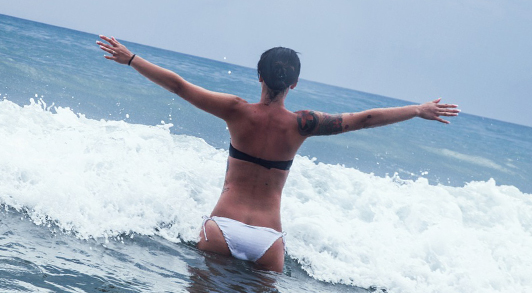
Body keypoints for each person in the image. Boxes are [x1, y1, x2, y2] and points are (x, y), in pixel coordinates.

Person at [96, 35, 460, 272]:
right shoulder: (304, 124)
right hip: (268, 241)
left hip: (221, 227)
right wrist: (416, 109)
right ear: (294, 83)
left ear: (259, 76)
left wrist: (131, 60)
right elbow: (364, 119)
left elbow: (178, 85)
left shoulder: (236, 110)